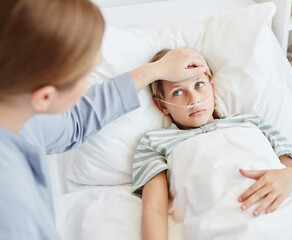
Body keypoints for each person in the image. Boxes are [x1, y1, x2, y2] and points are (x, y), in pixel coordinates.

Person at [0, 1, 210, 239]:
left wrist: (157, 70)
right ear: (45, 97)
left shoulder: (19, 111)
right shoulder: (13, 208)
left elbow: (77, 120)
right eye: (85, 74)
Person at [131, 49, 292, 240]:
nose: (194, 99)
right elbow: (154, 208)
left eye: (199, 84)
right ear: (162, 105)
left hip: (287, 216)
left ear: (212, 88)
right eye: (178, 92)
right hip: (223, 225)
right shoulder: (154, 142)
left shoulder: (252, 123)